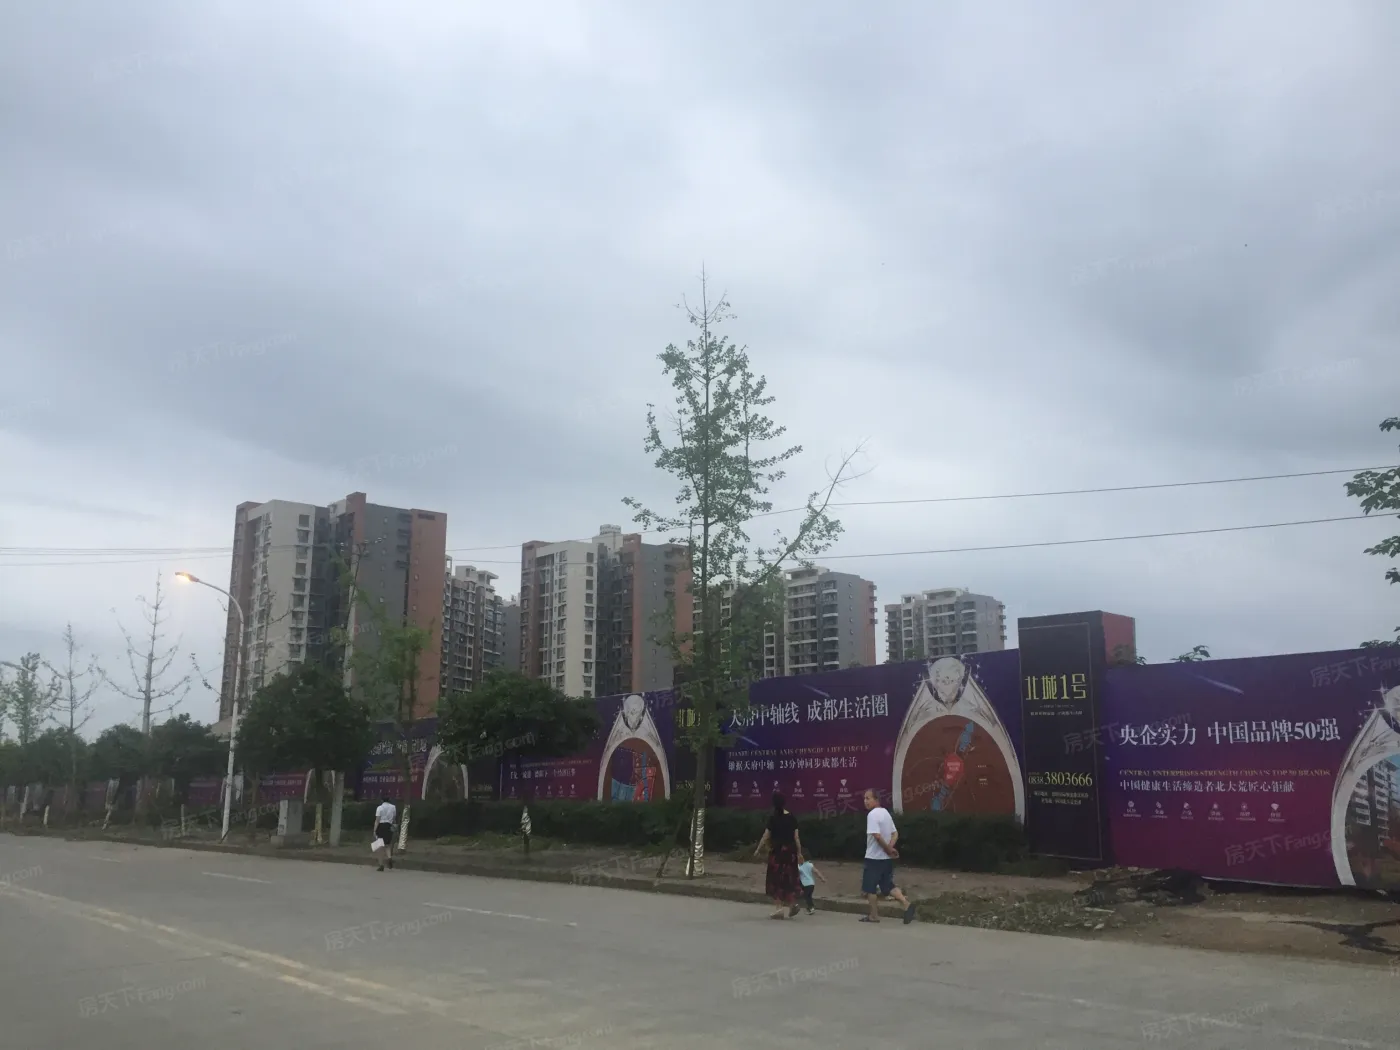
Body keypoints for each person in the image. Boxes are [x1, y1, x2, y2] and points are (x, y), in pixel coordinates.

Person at [861, 788, 916, 924]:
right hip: (886, 860)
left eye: (868, 798)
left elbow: (877, 836)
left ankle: (873, 916)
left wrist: (887, 849)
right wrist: (890, 848)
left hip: (873, 858)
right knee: (888, 886)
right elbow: (895, 833)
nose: (865, 801)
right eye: (864, 799)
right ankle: (906, 904)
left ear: (876, 799)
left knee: (870, 888)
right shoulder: (885, 813)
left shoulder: (872, 815)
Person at [753, 791, 803, 919]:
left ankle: (779, 908)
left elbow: (766, 836)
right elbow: (796, 838)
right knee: (789, 878)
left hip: (777, 853)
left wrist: (758, 849)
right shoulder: (791, 817)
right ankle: (792, 904)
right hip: (790, 853)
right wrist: (799, 853)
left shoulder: (773, 818)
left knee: (775, 880)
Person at [373, 795, 397, 872]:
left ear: (382, 800)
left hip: (381, 826)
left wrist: (374, 830)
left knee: (379, 847)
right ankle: (389, 858)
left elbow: (377, 820)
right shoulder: (393, 807)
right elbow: (394, 818)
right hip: (389, 826)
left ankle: (381, 865)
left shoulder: (379, 808)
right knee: (387, 845)